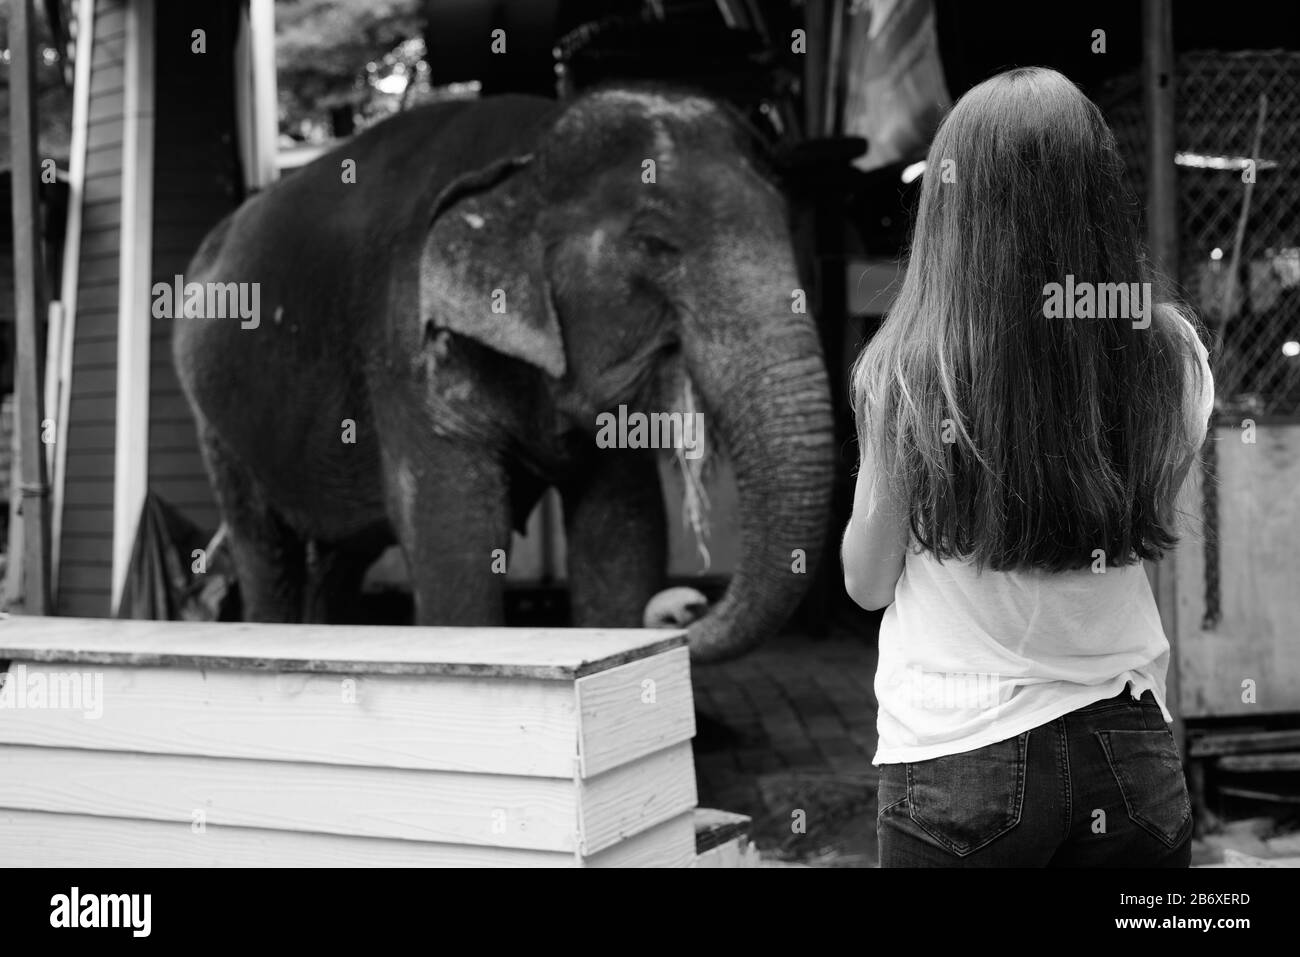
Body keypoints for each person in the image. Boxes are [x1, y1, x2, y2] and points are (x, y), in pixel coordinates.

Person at [842, 66, 1214, 867]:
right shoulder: (1173, 355)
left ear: (952, 209)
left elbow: (867, 582)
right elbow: (1145, 521)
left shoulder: (910, 369)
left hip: (956, 762)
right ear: (1100, 199)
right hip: (1130, 760)